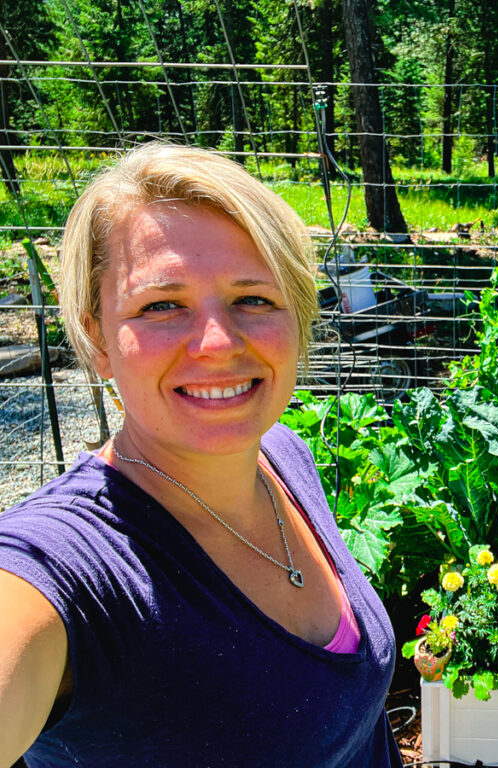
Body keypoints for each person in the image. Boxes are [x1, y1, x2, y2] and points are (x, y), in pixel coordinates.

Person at [0, 143, 402, 767]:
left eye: (254, 298)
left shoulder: (283, 456)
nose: (217, 342)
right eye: (162, 305)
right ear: (98, 339)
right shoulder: (70, 567)